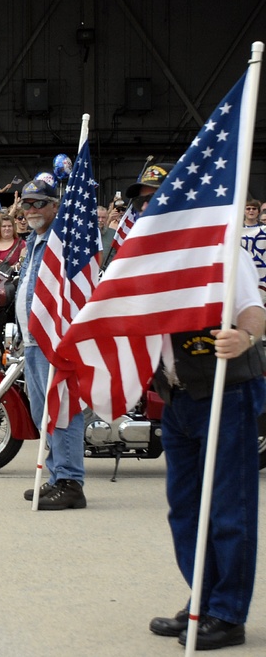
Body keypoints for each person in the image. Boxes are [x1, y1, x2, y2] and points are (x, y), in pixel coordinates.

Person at [147, 249, 265, 650]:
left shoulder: (225, 250)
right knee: (184, 509)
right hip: (177, 397)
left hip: (225, 394)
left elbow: (252, 307)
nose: (152, 207)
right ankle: (203, 600)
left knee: (230, 508)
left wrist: (245, 336)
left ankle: (228, 614)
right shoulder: (155, 257)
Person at [15, 179, 86, 510]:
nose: (31, 210)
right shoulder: (33, 241)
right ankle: (58, 477)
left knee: (63, 410)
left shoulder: (62, 240)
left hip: (54, 339)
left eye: (39, 203)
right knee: (43, 412)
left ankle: (71, 482)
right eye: (26, 204)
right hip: (32, 340)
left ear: (56, 206)